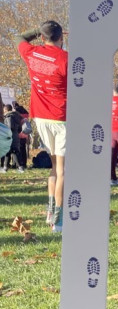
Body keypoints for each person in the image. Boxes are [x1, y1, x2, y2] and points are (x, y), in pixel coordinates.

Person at [16, 20, 67, 232]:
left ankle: (50, 212)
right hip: (62, 117)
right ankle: (59, 221)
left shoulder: (31, 53)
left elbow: (19, 38)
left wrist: (39, 31)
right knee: (63, 170)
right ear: (62, 37)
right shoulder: (66, 58)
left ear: (43, 37)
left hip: (41, 118)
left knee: (54, 167)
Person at [2, 104, 24, 173]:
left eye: (4, 110)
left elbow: (9, 127)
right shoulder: (17, 116)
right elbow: (20, 129)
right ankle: (5, 167)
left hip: (9, 137)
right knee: (8, 152)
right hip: (15, 136)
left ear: (6, 110)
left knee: (14, 152)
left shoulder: (9, 116)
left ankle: (20, 167)